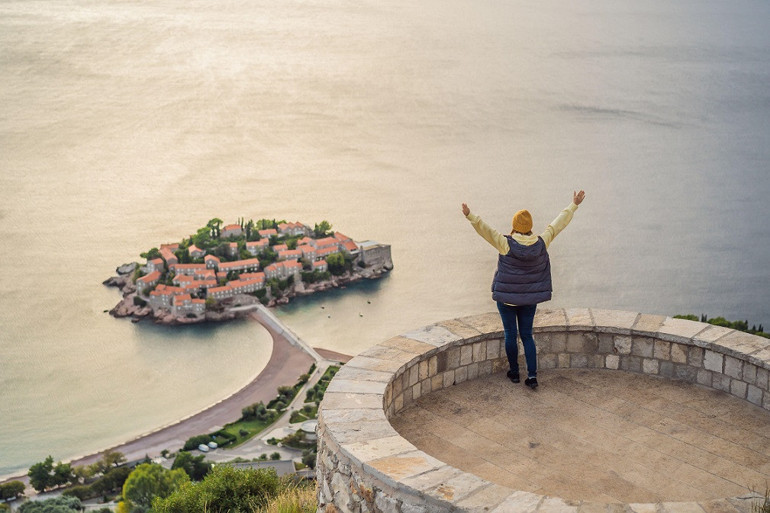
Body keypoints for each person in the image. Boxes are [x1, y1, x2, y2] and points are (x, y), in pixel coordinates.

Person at [461, 190, 585, 389]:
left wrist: (470, 215)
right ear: (530, 227)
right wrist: (574, 205)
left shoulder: (505, 243)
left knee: (510, 335)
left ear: (514, 226)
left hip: (507, 301)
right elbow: (557, 225)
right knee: (527, 335)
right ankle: (532, 376)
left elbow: (485, 230)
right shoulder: (541, 243)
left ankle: (514, 373)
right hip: (529, 301)